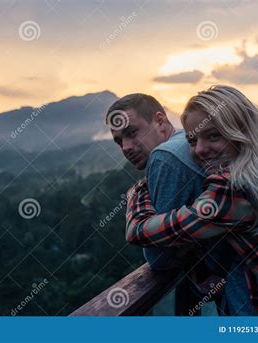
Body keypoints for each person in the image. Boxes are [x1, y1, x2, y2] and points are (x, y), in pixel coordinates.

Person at [125, 85, 258, 315]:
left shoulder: (234, 188)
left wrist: (138, 192)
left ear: (241, 130)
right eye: (192, 141)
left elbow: (141, 231)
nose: (200, 149)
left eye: (213, 135)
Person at [107, 93, 222, 315]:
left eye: (132, 132)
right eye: (119, 140)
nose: (126, 147)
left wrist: (136, 196)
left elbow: (159, 258)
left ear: (160, 120)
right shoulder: (184, 142)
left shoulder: (165, 157)